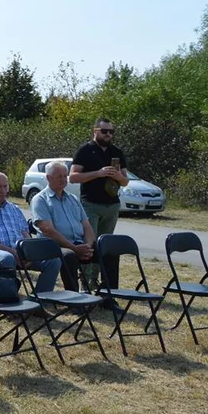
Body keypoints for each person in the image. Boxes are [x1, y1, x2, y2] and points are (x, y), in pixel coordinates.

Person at [0, 171, 61, 294]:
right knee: (7, 258)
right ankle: (9, 302)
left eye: (5, 186)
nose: (3, 190)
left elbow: (25, 234)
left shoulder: (14, 209)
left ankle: (40, 299)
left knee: (53, 260)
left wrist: (29, 252)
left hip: (19, 252)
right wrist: (12, 252)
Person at [69, 117, 128, 292]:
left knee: (106, 245)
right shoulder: (85, 150)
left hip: (111, 205)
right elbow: (73, 177)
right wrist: (98, 173)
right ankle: (86, 284)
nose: (108, 134)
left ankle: (105, 286)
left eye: (111, 131)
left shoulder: (117, 151)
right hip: (90, 204)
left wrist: (117, 177)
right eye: (104, 131)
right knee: (90, 244)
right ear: (95, 131)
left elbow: (125, 181)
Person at [31, 160, 98, 294]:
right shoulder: (40, 200)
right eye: (59, 176)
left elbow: (86, 225)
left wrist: (89, 246)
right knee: (69, 255)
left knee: (107, 250)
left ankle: (109, 294)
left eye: (64, 176)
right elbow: (48, 230)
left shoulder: (73, 199)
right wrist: (73, 248)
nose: (63, 179)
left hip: (79, 244)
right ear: (48, 178)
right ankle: (73, 297)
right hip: (55, 247)